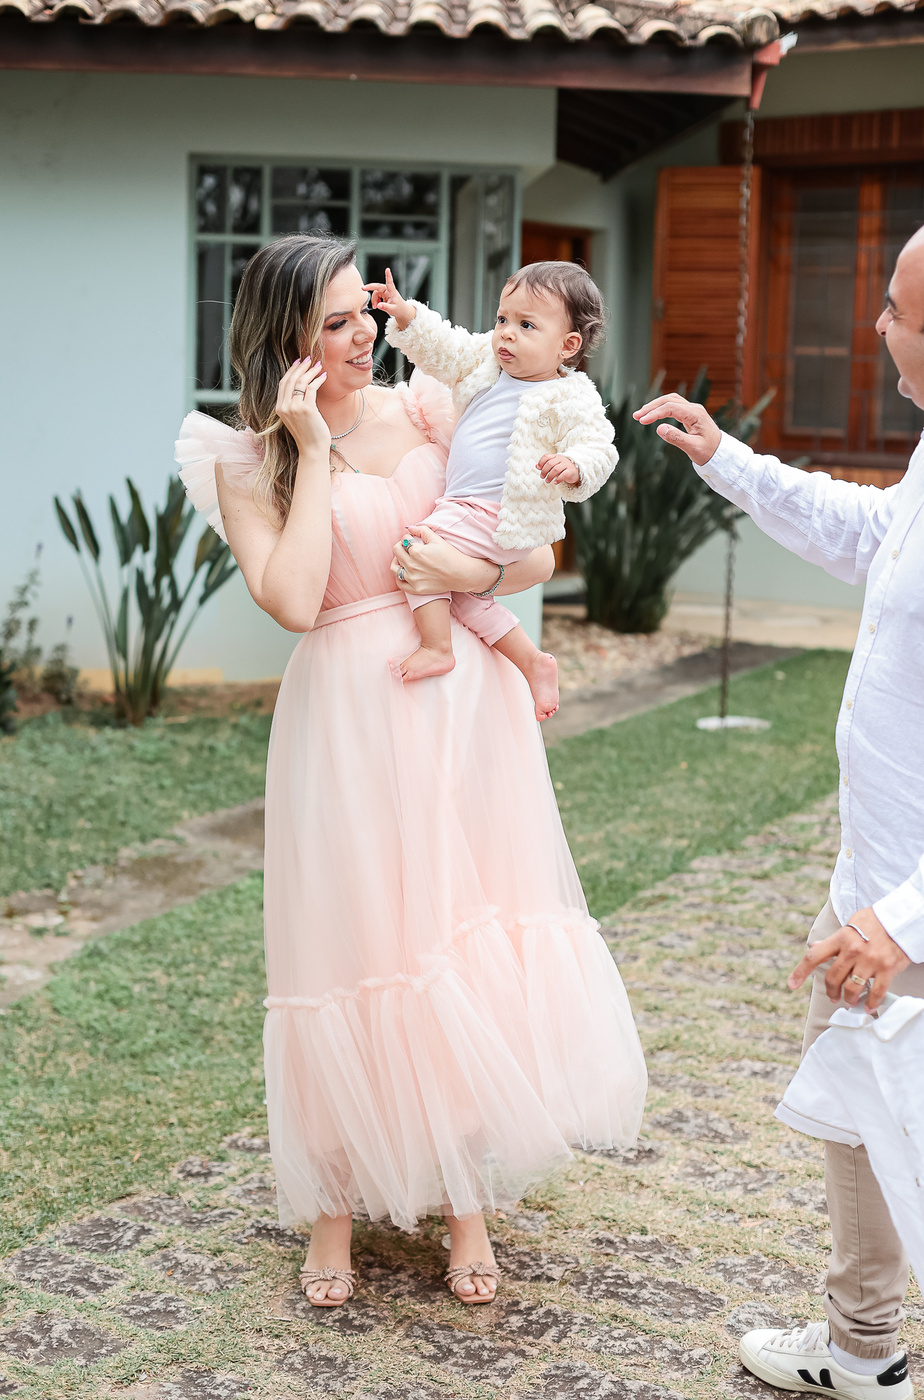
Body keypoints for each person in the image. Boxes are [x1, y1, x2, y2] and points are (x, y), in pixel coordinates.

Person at [175, 235, 647, 1311]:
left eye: (364, 314)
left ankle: (464, 1198)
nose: (362, 337)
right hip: (347, 711)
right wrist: (310, 448)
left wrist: (461, 566)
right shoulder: (245, 461)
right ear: (285, 339)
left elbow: (536, 551)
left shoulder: (435, 406)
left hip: (464, 705)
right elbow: (293, 599)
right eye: (335, 323)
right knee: (354, 940)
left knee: (455, 933)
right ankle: (334, 1204)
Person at [633, 219, 924, 1400]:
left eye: (897, 310)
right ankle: (864, 1345)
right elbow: (872, 536)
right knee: (855, 1109)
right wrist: (730, 460)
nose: (876, 323)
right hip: (877, 877)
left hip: (911, 913)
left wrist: (901, 921)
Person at [364, 262, 617, 721]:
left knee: (414, 553)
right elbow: (444, 345)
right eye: (502, 318)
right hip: (468, 508)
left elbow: (600, 447)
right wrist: (406, 315)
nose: (506, 333)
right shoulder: (486, 361)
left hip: (497, 512)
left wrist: (575, 466)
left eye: (526, 325)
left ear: (567, 346)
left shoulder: (571, 397)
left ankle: (437, 647)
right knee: (464, 594)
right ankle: (533, 661)